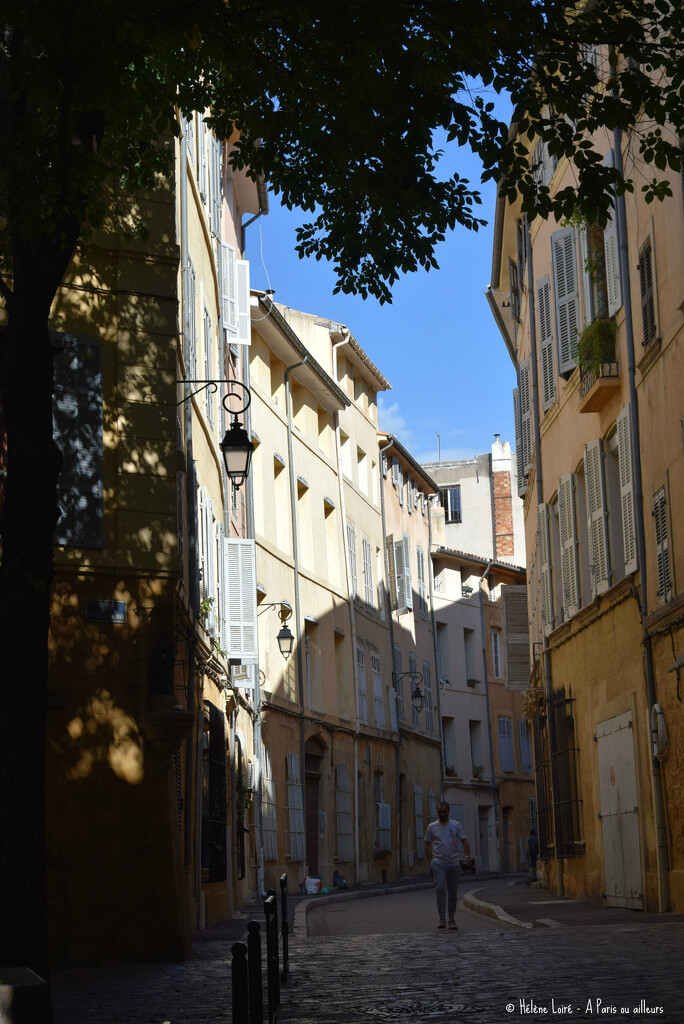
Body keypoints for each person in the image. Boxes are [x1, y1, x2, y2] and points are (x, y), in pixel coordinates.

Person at [424, 801, 472, 930]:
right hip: (438, 862)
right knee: (440, 888)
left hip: (453, 863)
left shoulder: (455, 825)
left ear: (448, 811)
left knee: (452, 893)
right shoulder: (432, 826)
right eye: (440, 812)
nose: (442, 814)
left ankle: (451, 919)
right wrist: (431, 861)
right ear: (437, 812)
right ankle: (441, 918)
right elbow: (427, 843)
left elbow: (464, 841)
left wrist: (467, 857)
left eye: (444, 811)